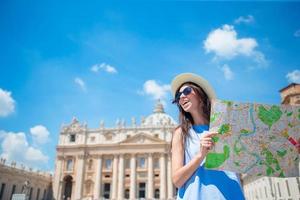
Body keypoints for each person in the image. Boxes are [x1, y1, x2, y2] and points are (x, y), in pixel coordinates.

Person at [170, 73, 245, 200]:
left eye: (187, 91)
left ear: (201, 94)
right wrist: (200, 155)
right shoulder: (181, 133)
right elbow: (177, 181)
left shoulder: (225, 127)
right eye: (178, 95)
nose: (182, 96)